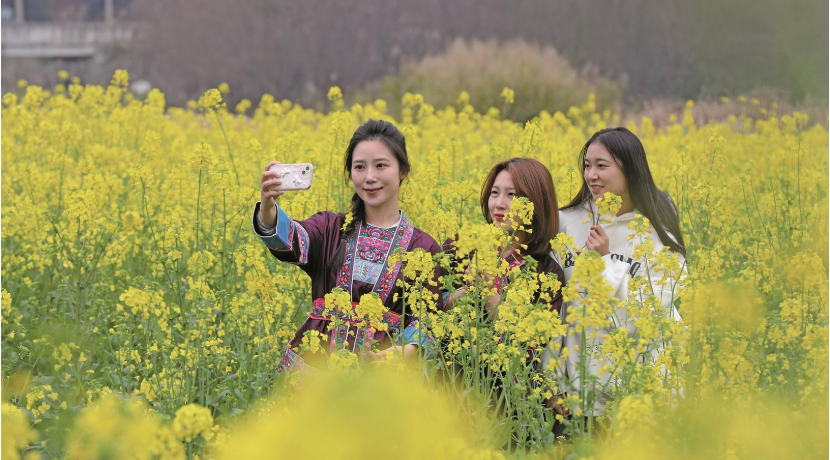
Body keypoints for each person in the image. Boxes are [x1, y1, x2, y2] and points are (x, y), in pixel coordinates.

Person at [252, 119, 441, 377]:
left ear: (403, 171)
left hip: (380, 379)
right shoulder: (331, 228)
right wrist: (268, 206)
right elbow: (291, 241)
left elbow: (430, 321)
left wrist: (403, 352)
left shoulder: (423, 247)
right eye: (359, 167)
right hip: (313, 376)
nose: (369, 177)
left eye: (381, 166)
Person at [549, 127, 686, 418]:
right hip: (580, 389)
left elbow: (661, 304)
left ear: (630, 170)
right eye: (587, 165)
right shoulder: (566, 221)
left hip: (643, 386)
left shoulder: (658, 219)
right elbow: (555, 309)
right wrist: (551, 384)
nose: (591, 175)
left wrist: (606, 262)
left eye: (602, 166)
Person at [443, 158, 565, 316]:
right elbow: (421, 309)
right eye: (494, 193)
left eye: (511, 195)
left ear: (536, 203)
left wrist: (490, 294)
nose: (499, 204)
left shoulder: (546, 273)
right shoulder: (460, 244)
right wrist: (466, 291)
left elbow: (533, 339)